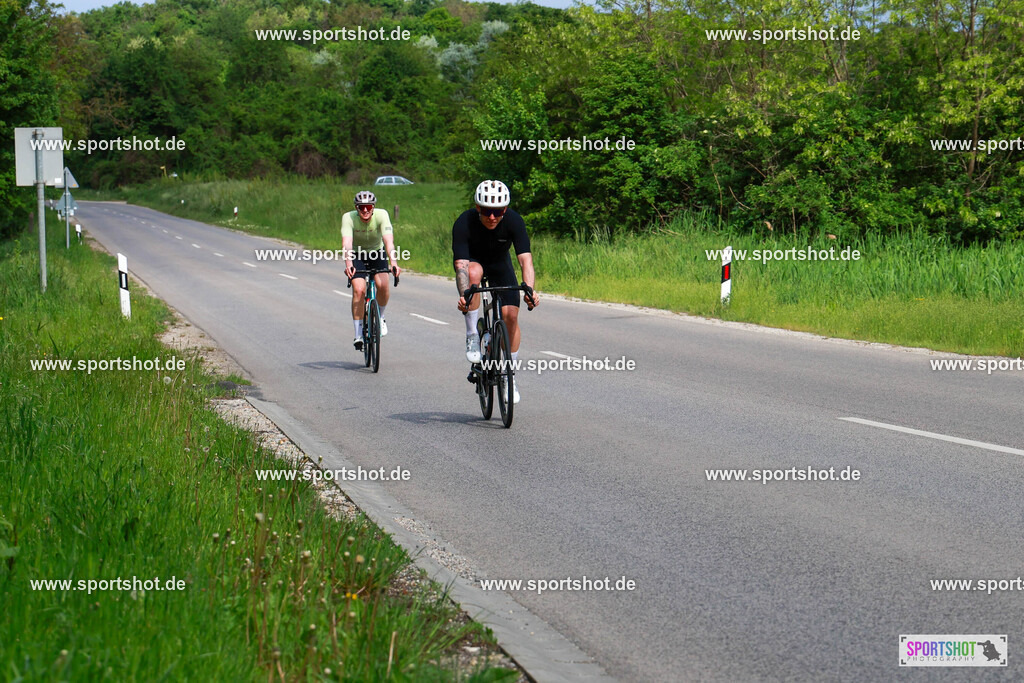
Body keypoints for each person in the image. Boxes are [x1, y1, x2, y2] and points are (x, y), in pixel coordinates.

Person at [452, 180, 538, 403]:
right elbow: (461, 265)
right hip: (474, 263)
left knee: (511, 316)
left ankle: (509, 376)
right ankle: (472, 334)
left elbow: (525, 261)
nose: (492, 217)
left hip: (501, 265)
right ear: (478, 208)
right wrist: (464, 295)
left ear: (505, 209)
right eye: (487, 211)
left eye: (498, 212)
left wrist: (529, 290)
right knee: (473, 273)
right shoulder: (464, 222)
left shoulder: (514, 221)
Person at [342, 191, 401, 350]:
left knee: (383, 284)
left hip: (377, 252)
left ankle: (380, 317)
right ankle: (358, 333)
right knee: (359, 290)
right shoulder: (349, 218)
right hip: (356, 253)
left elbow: (389, 242)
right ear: (356, 208)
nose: (365, 210)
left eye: (368, 207)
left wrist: (393, 262)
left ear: (373, 207)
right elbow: (347, 244)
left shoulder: (382, 215)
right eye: (361, 207)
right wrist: (349, 264)